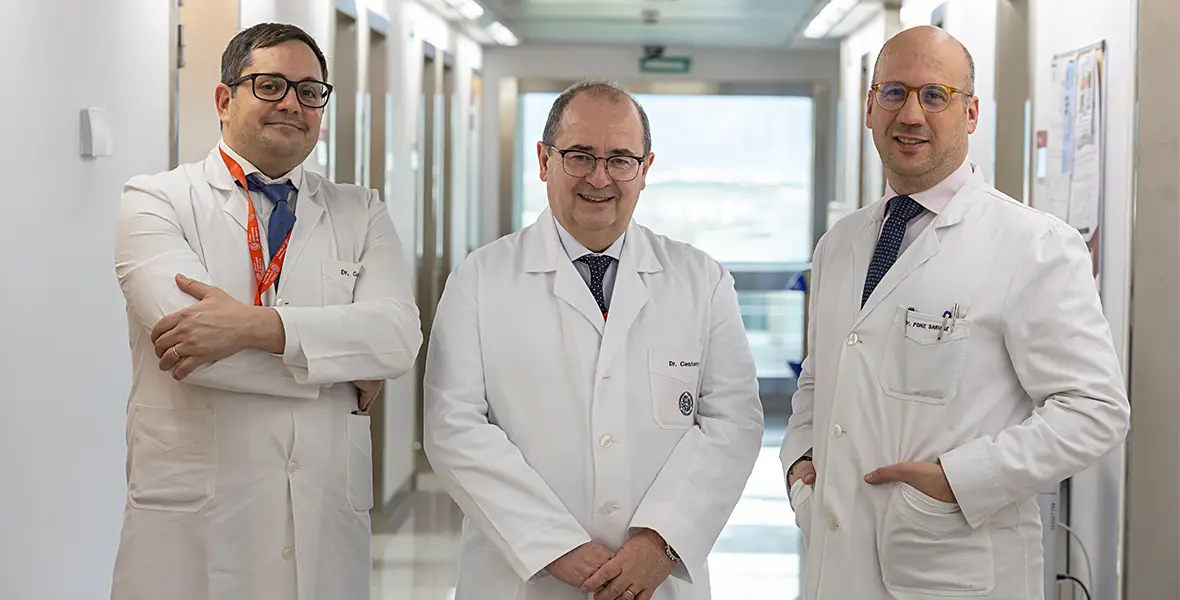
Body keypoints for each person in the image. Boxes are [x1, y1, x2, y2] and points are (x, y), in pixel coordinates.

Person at [780, 25, 1130, 600]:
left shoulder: (1033, 245)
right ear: (870, 109)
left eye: (934, 95)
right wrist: (799, 464)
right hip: (836, 561)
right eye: (893, 93)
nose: (911, 114)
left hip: (952, 567)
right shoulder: (839, 245)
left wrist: (959, 480)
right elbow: (822, 377)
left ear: (970, 114)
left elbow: (1096, 411)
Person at [109, 22, 422, 600]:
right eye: (271, 85)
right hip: (192, 526)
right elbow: (197, 355)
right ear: (225, 99)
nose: (293, 105)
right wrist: (340, 362)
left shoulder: (361, 210)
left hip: (323, 513)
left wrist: (253, 327)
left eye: (310, 91)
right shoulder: (156, 201)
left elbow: (399, 339)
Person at [422, 80, 764, 600]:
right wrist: (553, 545)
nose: (600, 178)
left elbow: (733, 423)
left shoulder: (701, 280)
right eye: (580, 156)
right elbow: (454, 427)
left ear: (645, 170)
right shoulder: (481, 279)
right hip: (521, 578)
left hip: (655, 580)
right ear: (543, 160)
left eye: (621, 159)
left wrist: (660, 543)